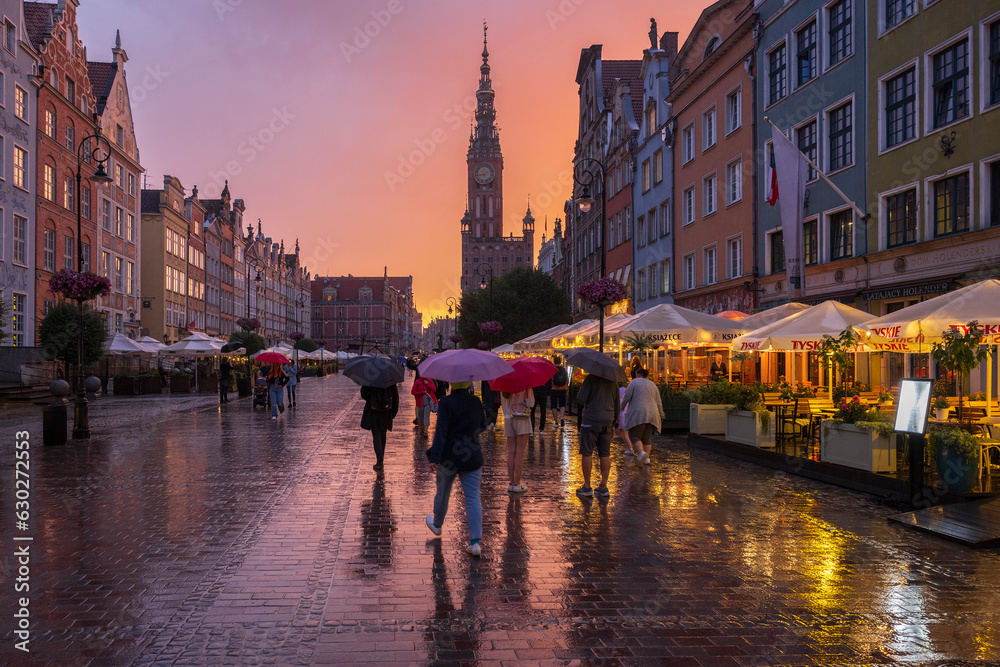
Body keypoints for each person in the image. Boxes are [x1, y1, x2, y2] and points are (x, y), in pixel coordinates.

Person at [425, 381, 486, 557]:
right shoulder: (476, 401)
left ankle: (437, 525)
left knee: (443, 492)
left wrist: (434, 458)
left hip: (448, 457)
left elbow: (441, 432)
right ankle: (474, 543)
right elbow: (482, 426)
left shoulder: (445, 402)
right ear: (469, 384)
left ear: (452, 383)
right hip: (472, 456)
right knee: (473, 498)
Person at [574, 372, 620, 498]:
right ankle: (603, 486)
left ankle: (587, 486)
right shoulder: (613, 380)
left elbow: (580, 399)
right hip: (607, 420)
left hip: (591, 419)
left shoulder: (590, 378)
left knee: (587, 452)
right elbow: (617, 404)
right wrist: (614, 423)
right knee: (605, 453)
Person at [620, 367, 665, 465]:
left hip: (639, 413)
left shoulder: (634, 382)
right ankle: (647, 459)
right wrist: (661, 414)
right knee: (646, 438)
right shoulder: (653, 384)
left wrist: (621, 407)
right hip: (653, 414)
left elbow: (626, 396)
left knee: (634, 435)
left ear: (638, 374)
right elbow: (658, 401)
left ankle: (641, 453)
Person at [500, 389, 533, 493]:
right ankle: (517, 483)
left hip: (508, 419)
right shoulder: (525, 383)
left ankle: (511, 483)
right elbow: (530, 403)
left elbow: (504, 404)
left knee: (511, 452)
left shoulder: (504, 383)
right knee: (519, 452)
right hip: (522, 418)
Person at [361, 383, 399, 471]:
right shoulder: (390, 379)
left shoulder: (371, 378)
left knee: (376, 435)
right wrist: (394, 412)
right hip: (386, 411)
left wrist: (371, 399)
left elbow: (363, 393)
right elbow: (395, 396)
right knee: (383, 434)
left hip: (373, 411)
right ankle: (381, 458)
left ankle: (379, 460)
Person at [411, 371, 438, 436]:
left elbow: (434, 389)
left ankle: (426, 431)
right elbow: (413, 392)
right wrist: (421, 392)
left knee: (426, 416)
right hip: (420, 403)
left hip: (427, 403)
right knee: (420, 418)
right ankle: (422, 428)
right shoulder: (417, 382)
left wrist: (427, 383)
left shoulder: (429, 380)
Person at [549, 360, 569, 427]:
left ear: (554, 362)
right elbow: (567, 380)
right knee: (562, 405)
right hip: (563, 389)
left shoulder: (552, 369)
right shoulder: (564, 369)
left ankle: (556, 422)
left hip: (554, 389)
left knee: (554, 405)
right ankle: (562, 417)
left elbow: (551, 380)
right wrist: (565, 386)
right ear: (560, 362)